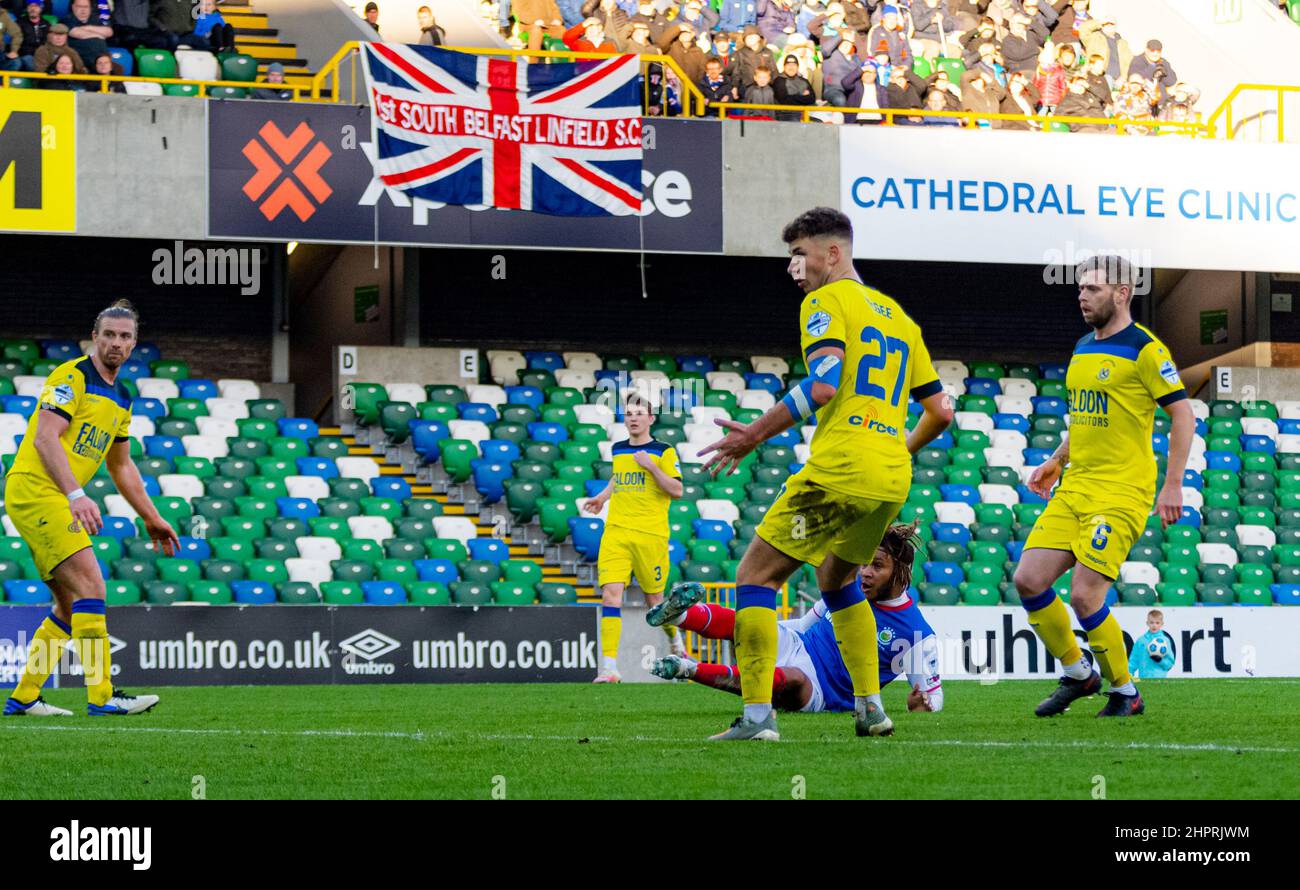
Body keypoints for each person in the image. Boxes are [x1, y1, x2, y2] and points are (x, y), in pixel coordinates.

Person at [695, 207, 952, 740]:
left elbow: (823, 386)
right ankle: (870, 708)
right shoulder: (901, 319)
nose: (793, 267)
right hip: (889, 475)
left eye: (799, 254)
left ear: (832, 254)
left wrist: (752, 436)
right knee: (835, 581)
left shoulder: (826, 301)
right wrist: (895, 448)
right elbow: (942, 411)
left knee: (755, 577)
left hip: (841, 466)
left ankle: (758, 717)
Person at [1012, 254, 1193, 719]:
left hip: (1122, 492)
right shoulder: (1083, 347)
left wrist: (1173, 484)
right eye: (1080, 288)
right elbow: (1089, 417)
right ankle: (1078, 673)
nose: (1082, 296)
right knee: (1028, 580)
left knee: (1084, 594)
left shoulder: (1147, 350)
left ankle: (1125, 691)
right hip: (1076, 486)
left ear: (1122, 293)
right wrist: (1056, 459)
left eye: (1092, 288)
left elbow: (1183, 413)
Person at [2, 301, 177, 719]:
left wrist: (151, 517)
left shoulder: (122, 396)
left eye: (125, 336)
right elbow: (46, 438)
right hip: (38, 491)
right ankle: (102, 696)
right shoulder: (72, 376)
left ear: (134, 345)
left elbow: (121, 465)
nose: (116, 343)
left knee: (68, 605)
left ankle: (24, 696)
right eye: (109, 335)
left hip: (53, 496)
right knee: (92, 587)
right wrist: (77, 494)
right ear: (94, 338)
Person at [649, 524, 944, 714]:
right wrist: (765, 632)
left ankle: (687, 668)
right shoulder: (847, 588)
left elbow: (933, 694)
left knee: (789, 678)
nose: (865, 572)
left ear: (901, 572)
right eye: (864, 563)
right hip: (799, 643)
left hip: (820, 690)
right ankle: (680, 615)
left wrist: (924, 704)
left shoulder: (915, 633)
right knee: (751, 624)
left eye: (876, 566)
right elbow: (804, 626)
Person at [581, 396, 684, 683]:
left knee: (656, 603)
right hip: (616, 532)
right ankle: (610, 667)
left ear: (651, 419)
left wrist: (651, 467)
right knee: (610, 595)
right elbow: (619, 477)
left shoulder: (664, 451)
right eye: (628, 414)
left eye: (639, 413)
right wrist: (602, 498)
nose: (633, 418)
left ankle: (676, 641)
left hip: (650, 535)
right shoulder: (618, 449)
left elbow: (676, 490)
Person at [62, 0, 110, 69]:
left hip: (101, 58)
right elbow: (75, 32)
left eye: (86, 7)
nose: (83, 9)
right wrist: (98, 35)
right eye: (80, 6)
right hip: (81, 58)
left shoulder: (95, 19)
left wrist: (88, 28)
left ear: (90, 8)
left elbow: (109, 32)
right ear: (73, 7)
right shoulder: (67, 19)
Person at [1128, 609, 1174, 679]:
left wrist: (1160, 660)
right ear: (1147, 623)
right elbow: (1133, 660)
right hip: (1143, 678)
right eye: (1151, 622)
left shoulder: (1165, 641)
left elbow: (1169, 664)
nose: (1154, 625)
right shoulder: (1141, 640)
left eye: (1157, 623)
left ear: (1162, 624)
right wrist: (1129, 674)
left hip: (1159, 678)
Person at [772, 52, 814, 119]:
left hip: (802, 114)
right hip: (785, 114)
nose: (791, 67)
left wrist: (793, 97)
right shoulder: (779, 80)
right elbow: (785, 101)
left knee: (819, 122)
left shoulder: (803, 81)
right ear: (784, 67)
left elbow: (811, 99)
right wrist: (802, 96)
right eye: (788, 65)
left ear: (797, 67)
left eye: (794, 65)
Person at [16, 0, 48, 71]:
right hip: (26, 54)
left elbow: (47, 42)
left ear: (41, 8)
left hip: (42, 54)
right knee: (30, 61)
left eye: (36, 6)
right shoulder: (19, 23)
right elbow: (19, 43)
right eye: (30, 6)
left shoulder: (46, 24)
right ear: (27, 8)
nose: (33, 9)